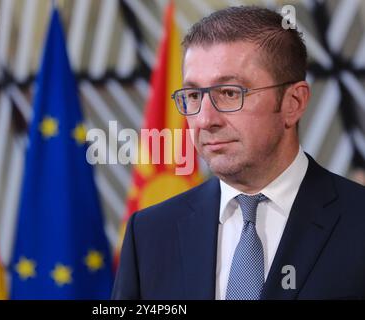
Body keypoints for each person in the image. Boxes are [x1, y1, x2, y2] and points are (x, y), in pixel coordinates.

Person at [112, 6, 365, 300]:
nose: (206, 120)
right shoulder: (149, 234)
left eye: (230, 93)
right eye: (193, 96)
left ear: (294, 102)